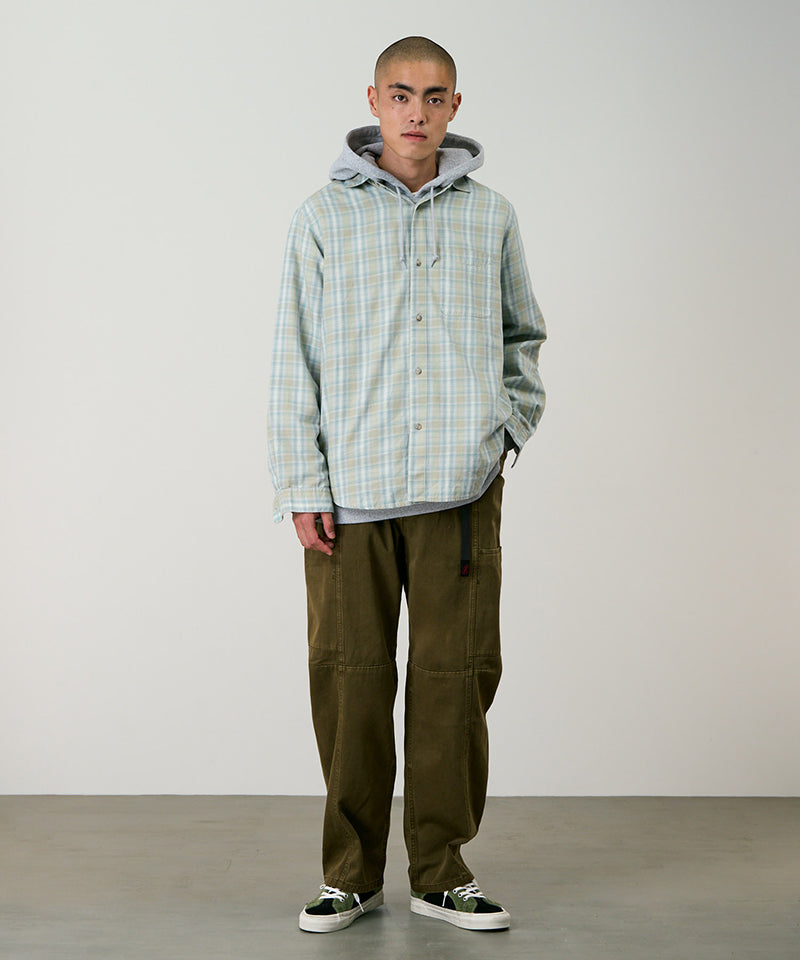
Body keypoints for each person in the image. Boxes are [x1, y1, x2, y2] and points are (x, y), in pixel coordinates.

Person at [267, 35, 546, 934]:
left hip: (460, 495)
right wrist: (301, 484)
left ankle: (442, 870)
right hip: (347, 498)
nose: (416, 112)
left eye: (433, 96)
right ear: (373, 101)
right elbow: (293, 357)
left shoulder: (490, 215)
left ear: (454, 106)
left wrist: (503, 434)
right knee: (348, 682)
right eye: (400, 94)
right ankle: (349, 874)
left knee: (454, 682)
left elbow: (523, 337)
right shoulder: (322, 216)